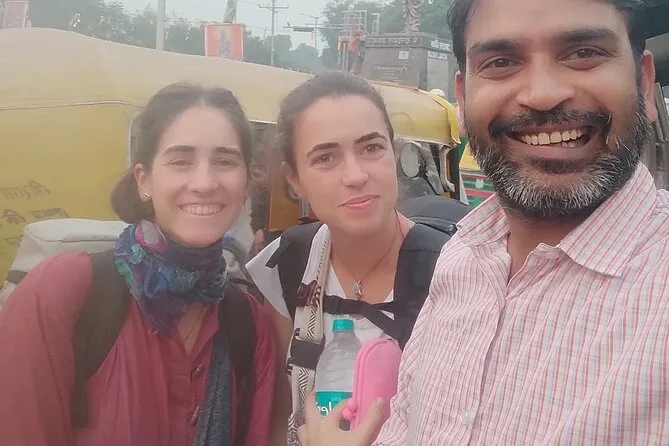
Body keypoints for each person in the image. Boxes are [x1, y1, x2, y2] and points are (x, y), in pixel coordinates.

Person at [299, 0, 669, 444]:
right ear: (462, 97)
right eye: (501, 62)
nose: (542, 94)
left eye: (583, 53)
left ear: (643, 81)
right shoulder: (462, 258)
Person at [0, 83, 277, 446]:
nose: (205, 183)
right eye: (181, 161)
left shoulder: (249, 325)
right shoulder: (63, 293)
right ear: (144, 180)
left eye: (225, 162)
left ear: (245, 183)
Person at [245, 72, 452, 445]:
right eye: (325, 158)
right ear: (294, 180)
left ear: (393, 152)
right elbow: (281, 413)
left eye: (371, 148)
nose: (356, 176)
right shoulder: (288, 265)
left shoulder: (455, 273)